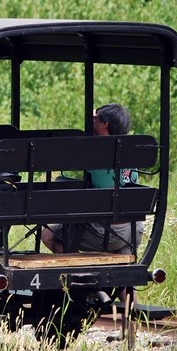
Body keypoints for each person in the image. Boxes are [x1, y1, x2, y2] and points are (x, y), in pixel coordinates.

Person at [40, 103, 145, 255]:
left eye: (95, 118)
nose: (91, 120)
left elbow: (66, 175)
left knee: (48, 235)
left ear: (104, 124)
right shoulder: (130, 151)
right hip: (133, 231)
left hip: (104, 233)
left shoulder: (95, 153)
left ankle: (79, 268)